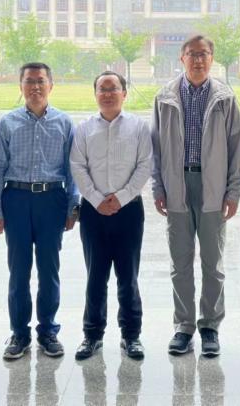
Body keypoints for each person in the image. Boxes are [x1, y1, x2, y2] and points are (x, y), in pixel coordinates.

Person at [151, 35, 240, 357]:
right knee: (180, 262)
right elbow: (156, 147)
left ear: (212, 58)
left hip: (212, 187)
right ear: (182, 58)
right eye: (192, 54)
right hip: (177, 185)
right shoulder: (165, 97)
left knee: (212, 262)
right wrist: (158, 187)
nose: (198, 60)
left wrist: (233, 190)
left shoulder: (225, 98)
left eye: (203, 54)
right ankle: (184, 326)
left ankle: (210, 326)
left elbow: (236, 147)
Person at [0, 62, 80, 360]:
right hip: (15, 199)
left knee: (49, 269)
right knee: (19, 270)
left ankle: (48, 331)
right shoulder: (8, 123)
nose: (35, 87)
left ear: (51, 85)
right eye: (29, 81)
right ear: (21, 86)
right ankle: (19, 333)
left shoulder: (64, 123)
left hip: (51, 200)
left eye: (41, 81)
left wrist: (72, 206)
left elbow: (72, 169)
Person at [70, 71, 153, 361]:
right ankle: (92, 335)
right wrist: (96, 199)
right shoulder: (84, 129)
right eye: (102, 89)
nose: (107, 94)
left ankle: (131, 335)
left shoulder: (139, 127)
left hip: (128, 210)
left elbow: (145, 165)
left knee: (128, 276)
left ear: (124, 93)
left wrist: (121, 197)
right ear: (95, 94)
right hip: (93, 212)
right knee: (95, 276)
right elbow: (77, 166)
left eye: (113, 88)